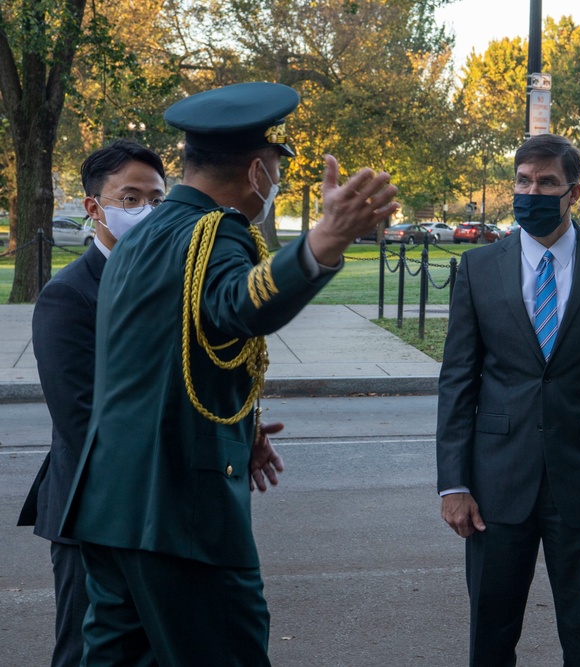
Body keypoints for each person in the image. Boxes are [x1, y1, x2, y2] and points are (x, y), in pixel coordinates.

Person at [58, 82, 398, 666]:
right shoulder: (212, 233)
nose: (278, 182)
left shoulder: (146, 235)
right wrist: (324, 241)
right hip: (179, 514)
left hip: (115, 505)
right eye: (277, 168)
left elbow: (166, 357)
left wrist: (241, 428)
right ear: (257, 170)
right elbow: (237, 304)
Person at [436, 133, 580, 667]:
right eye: (523, 181)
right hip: (495, 486)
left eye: (547, 182)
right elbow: (457, 382)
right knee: (490, 637)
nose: (531, 191)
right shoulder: (479, 267)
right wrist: (454, 483)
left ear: (574, 192)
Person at [17, 140, 166, 667]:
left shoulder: (169, 283)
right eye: (130, 198)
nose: (144, 210)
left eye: (155, 198)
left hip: (158, 514)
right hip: (92, 511)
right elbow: (80, 417)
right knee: (87, 653)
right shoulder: (67, 295)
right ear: (94, 206)